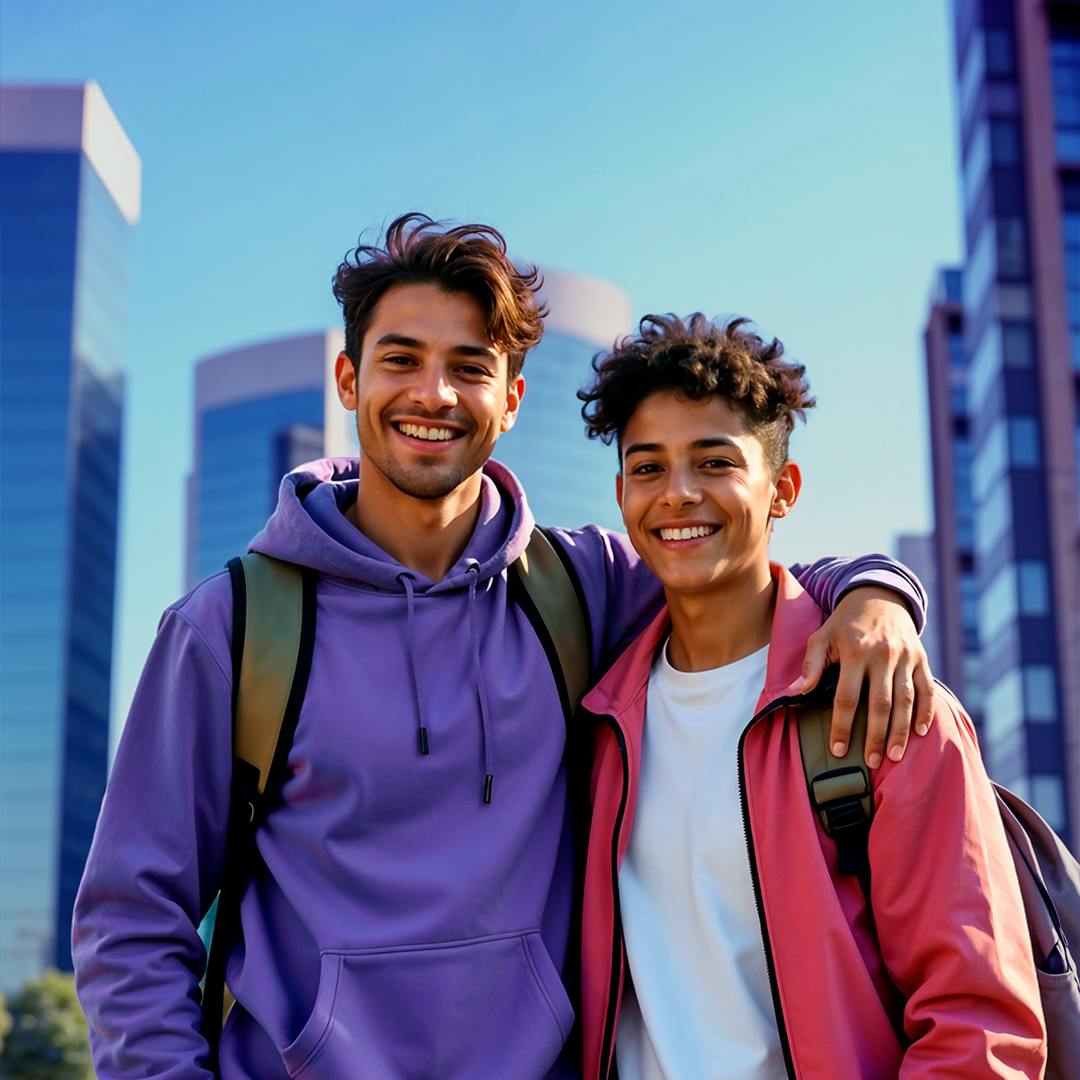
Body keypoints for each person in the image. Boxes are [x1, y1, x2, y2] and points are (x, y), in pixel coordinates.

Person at [73, 216, 934, 1079]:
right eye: (401, 359)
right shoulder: (231, 627)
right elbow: (130, 918)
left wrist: (875, 593)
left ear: (513, 399)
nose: (434, 394)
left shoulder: (579, 583)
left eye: (470, 368)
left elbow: (736, 567)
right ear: (349, 379)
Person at [575, 313, 1045, 1079]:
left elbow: (978, 1017)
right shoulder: (599, 725)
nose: (679, 494)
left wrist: (878, 594)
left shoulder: (887, 706)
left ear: (782, 489)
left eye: (714, 462)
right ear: (622, 492)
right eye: (649, 467)